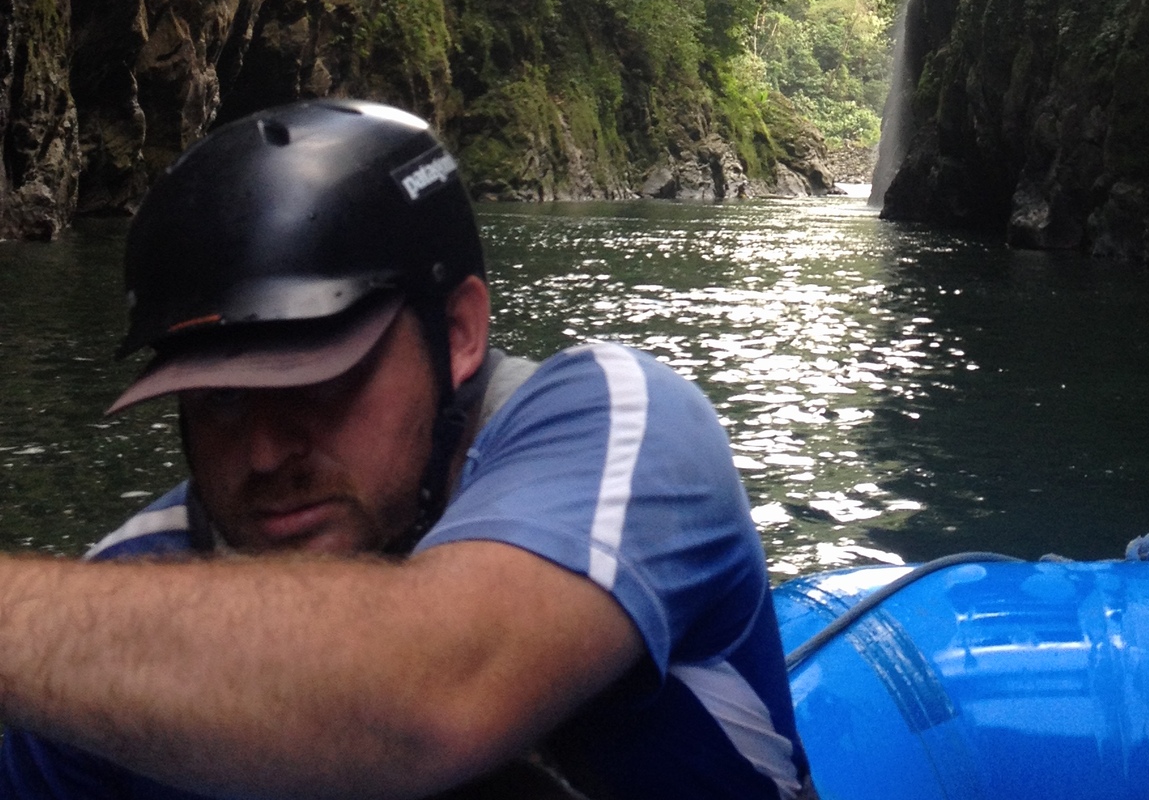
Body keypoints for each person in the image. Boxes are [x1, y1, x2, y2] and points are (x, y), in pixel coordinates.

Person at [0, 99, 809, 800]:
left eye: (318, 380)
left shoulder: (624, 423)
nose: (264, 453)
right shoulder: (113, 617)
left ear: (457, 334)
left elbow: (432, 693)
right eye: (218, 400)